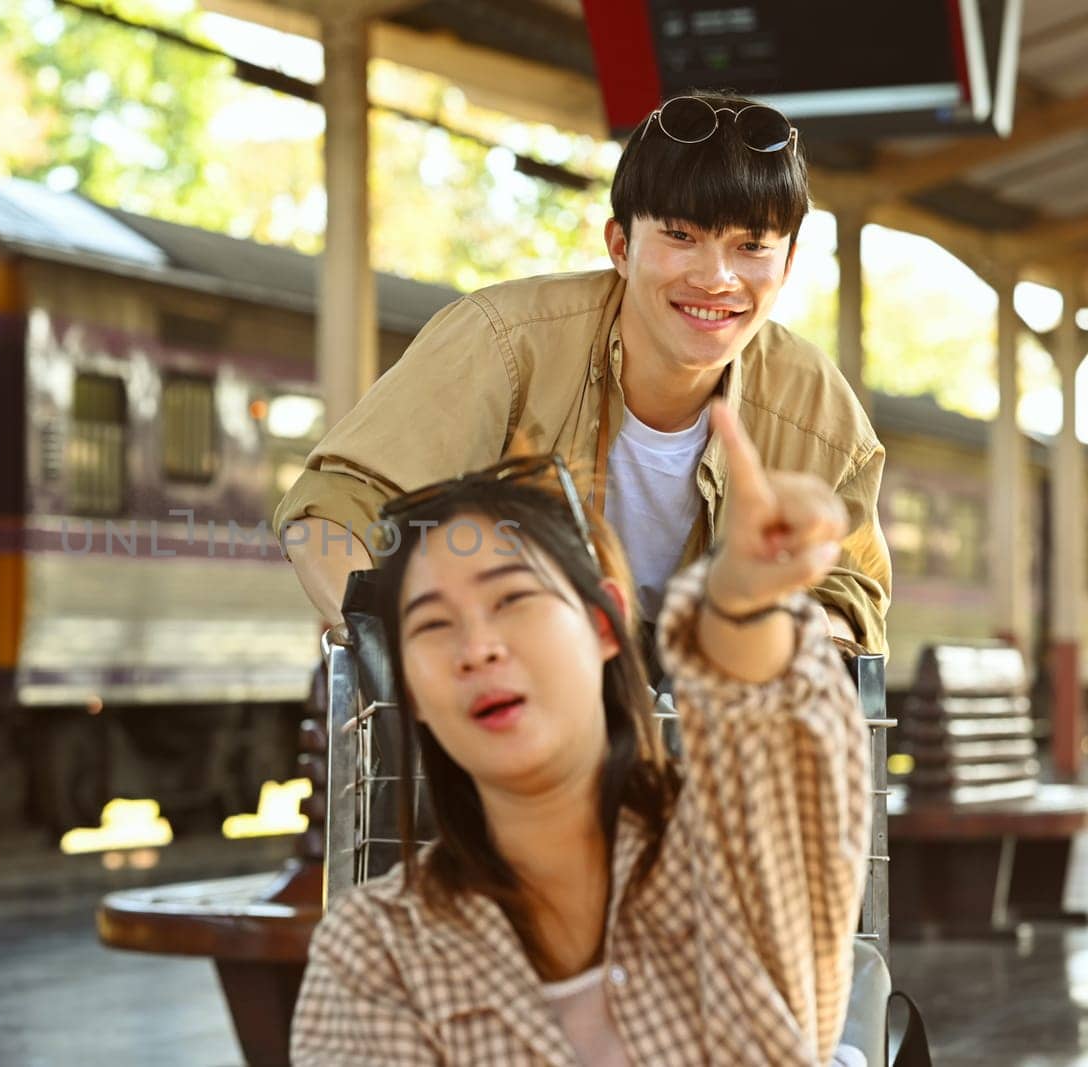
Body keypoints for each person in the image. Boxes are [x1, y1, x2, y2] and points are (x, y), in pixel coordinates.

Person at [290, 403, 870, 1066]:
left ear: (604, 625)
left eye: (512, 599)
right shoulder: (374, 953)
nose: (476, 648)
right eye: (432, 625)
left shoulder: (731, 846)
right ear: (412, 689)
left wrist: (741, 602)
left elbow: (782, 729)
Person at [274, 90, 890, 662]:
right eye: (681, 236)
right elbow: (336, 509)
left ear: (787, 264)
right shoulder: (502, 342)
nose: (716, 278)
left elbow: (847, 591)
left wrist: (797, 643)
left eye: (751, 246)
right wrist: (401, 656)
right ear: (620, 245)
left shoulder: (821, 412)